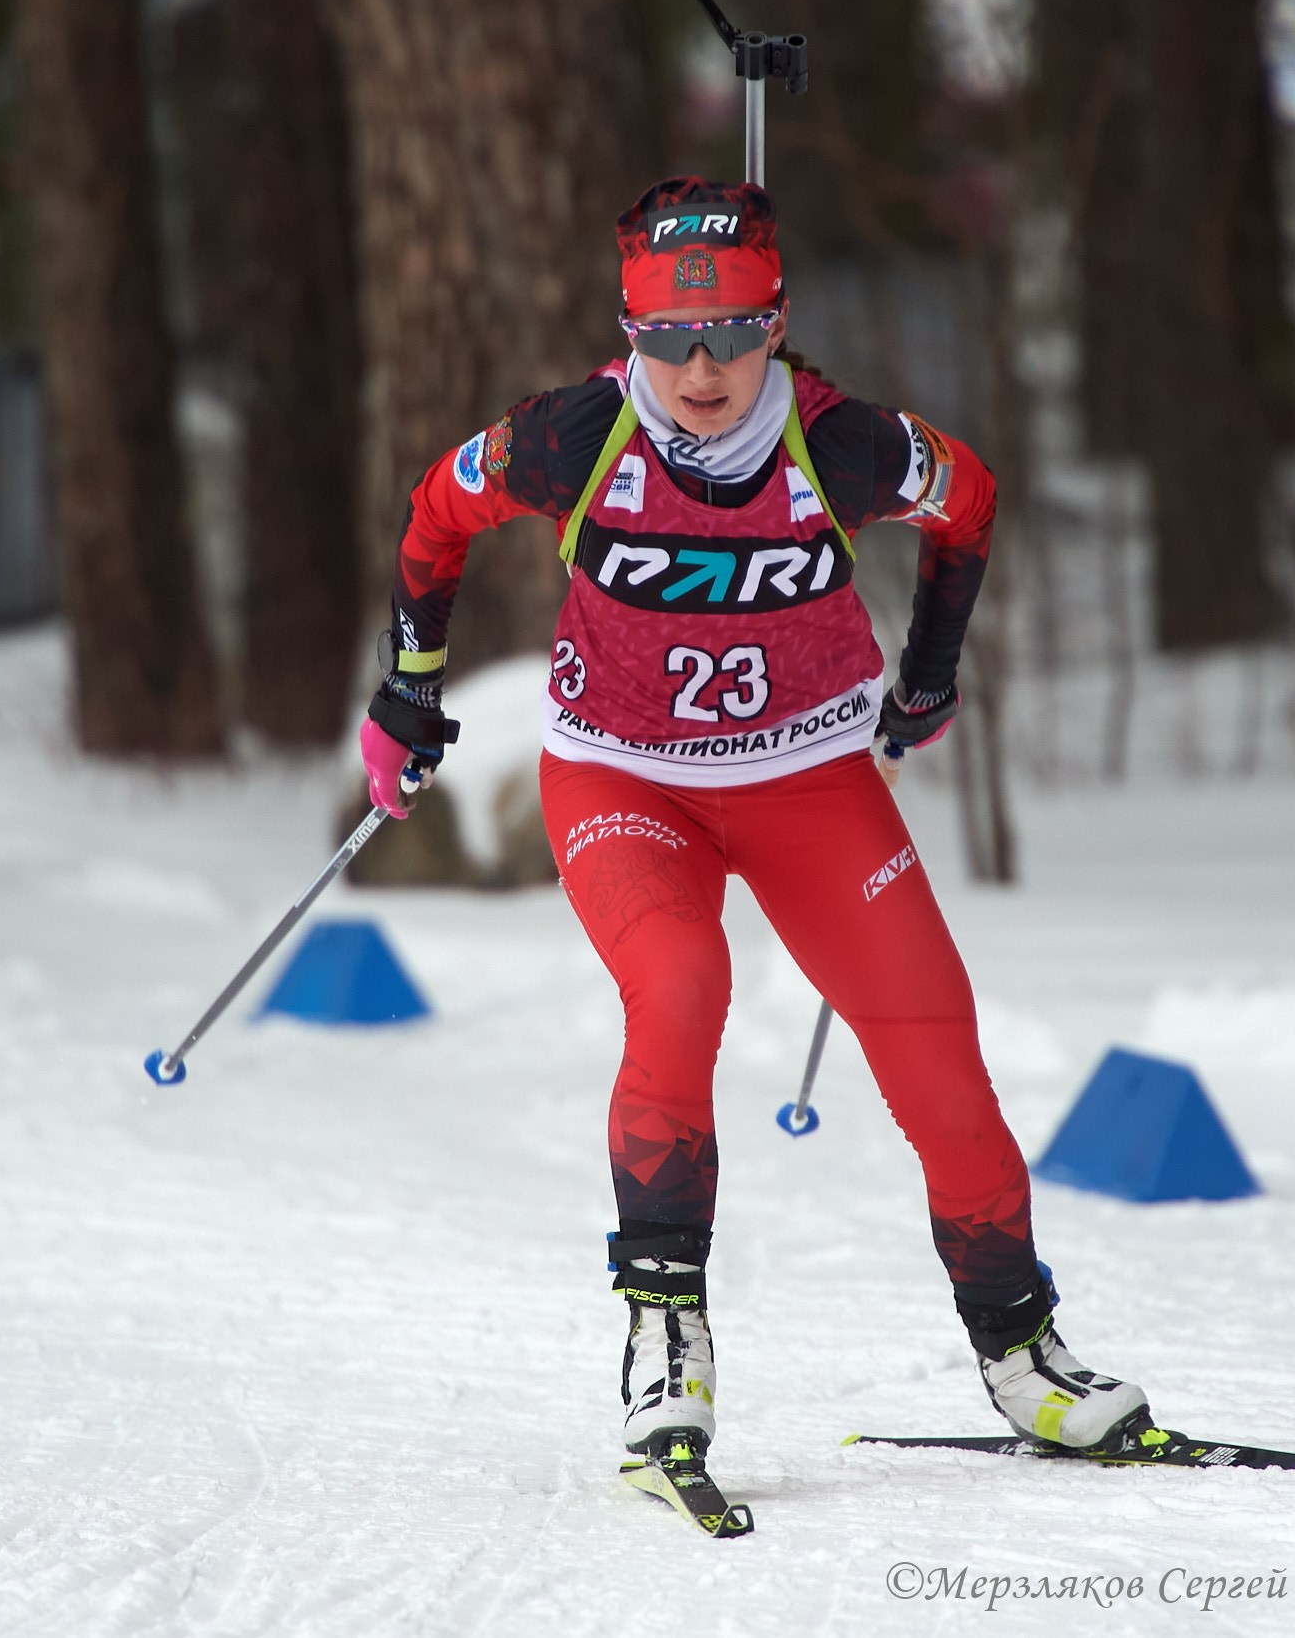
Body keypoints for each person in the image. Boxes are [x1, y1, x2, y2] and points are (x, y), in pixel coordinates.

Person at [359, 178, 1149, 1470]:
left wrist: (930, 673)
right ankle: (664, 1337)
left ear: (777, 324)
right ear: (629, 334)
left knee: (937, 1047)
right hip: (624, 779)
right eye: (667, 338)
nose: (701, 365)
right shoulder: (568, 438)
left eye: (730, 331)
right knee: (680, 981)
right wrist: (407, 687)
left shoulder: (845, 446)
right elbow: (435, 512)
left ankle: (1023, 1352)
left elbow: (972, 501)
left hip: (807, 779)